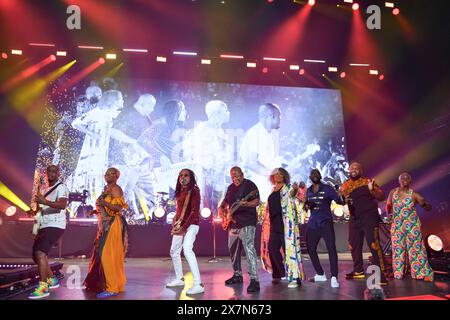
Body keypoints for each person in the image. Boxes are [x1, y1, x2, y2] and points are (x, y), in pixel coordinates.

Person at [70, 90, 124, 212]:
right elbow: (75, 123)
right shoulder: (96, 113)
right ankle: (79, 208)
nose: (123, 101)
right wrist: (91, 133)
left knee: (99, 178)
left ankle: (95, 208)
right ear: (112, 100)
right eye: (120, 98)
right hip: (91, 152)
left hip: (101, 153)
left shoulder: (110, 114)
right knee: (88, 178)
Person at [109, 93, 157, 220]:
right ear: (142, 103)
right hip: (124, 162)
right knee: (122, 192)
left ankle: (138, 220)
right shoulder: (128, 114)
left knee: (147, 194)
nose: (153, 109)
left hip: (139, 162)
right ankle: (116, 222)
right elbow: (113, 131)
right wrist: (133, 142)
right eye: (151, 105)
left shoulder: (146, 118)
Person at [84, 167, 129, 298]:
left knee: (107, 255)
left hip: (112, 224)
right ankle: (108, 284)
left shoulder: (116, 189)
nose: (107, 175)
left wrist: (105, 203)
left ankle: (113, 287)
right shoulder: (106, 189)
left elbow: (119, 208)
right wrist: (94, 211)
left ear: (117, 176)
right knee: (101, 255)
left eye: (111, 173)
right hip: (103, 225)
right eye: (106, 174)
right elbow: (103, 208)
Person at [340, 162, 388, 284]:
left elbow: (381, 197)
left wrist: (372, 190)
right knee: (353, 245)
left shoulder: (368, 181)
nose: (354, 169)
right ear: (349, 170)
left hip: (369, 217)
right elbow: (343, 201)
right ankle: (358, 271)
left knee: (373, 244)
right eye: (352, 168)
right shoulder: (345, 185)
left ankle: (381, 274)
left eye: (357, 168)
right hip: (354, 217)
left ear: (361, 171)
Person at [183, 100, 231, 216]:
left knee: (217, 207)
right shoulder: (202, 128)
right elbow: (192, 152)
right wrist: (208, 170)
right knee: (206, 207)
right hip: (207, 175)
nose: (228, 113)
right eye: (225, 111)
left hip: (219, 175)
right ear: (217, 113)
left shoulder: (221, 131)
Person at [28, 165, 68, 299]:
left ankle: (43, 287)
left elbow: (62, 205)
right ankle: (52, 279)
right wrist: (33, 212)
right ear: (46, 173)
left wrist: (44, 201)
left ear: (58, 174)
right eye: (49, 171)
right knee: (36, 256)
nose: (51, 173)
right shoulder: (44, 189)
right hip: (43, 224)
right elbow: (42, 208)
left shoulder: (61, 187)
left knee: (40, 252)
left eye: (54, 171)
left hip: (55, 224)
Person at [219, 167, 261, 293]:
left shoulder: (249, 185)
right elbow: (225, 203)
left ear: (242, 174)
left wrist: (246, 204)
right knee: (233, 250)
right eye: (233, 177)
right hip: (233, 223)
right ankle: (237, 275)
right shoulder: (231, 187)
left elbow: (256, 201)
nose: (235, 179)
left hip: (247, 221)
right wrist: (222, 209)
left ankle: (254, 280)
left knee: (249, 248)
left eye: (237, 176)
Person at [261, 168, 305, 288]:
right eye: (276, 174)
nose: (278, 176)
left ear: (284, 176)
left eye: (281, 174)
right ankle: (279, 273)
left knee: (289, 251)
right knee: (272, 248)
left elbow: (296, 198)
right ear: (273, 177)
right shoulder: (273, 189)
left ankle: (295, 278)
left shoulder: (289, 188)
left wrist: (296, 190)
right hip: (274, 224)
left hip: (286, 225)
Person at [386, 172, 434, 281]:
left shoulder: (415, 195)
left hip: (412, 226)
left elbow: (428, 207)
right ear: (399, 181)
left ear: (410, 181)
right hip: (397, 225)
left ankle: (421, 273)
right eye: (402, 178)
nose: (404, 179)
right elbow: (388, 205)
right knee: (398, 249)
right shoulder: (393, 192)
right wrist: (389, 216)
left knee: (416, 248)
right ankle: (398, 273)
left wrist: (425, 204)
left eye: (407, 178)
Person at [166, 169, 204, 295]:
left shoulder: (194, 191)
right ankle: (179, 279)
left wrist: (183, 227)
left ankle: (198, 284)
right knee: (174, 251)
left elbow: (194, 212)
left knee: (187, 249)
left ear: (191, 177)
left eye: (186, 175)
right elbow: (180, 210)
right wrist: (175, 220)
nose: (183, 177)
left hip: (192, 224)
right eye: (181, 175)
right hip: (181, 224)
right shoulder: (180, 192)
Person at [303, 169, 342, 288]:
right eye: (313, 174)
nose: (315, 175)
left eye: (317, 174)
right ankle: (320, 274)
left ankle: (334, 276)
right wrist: (307, 205)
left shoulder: (327, 188)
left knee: (331, 249)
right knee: (310, 249)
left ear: (320, 176)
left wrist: (340, 193)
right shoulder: (308, 190)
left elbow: (339, 201)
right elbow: (306, 205)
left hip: (325, 223)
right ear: (310, 177)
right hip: (312, 224)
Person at [239, 103, 282, 201]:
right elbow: (250, 163)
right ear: (271, 116)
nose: (281, 119)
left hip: (266, 186)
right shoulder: (255, 134)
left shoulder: (268, 134)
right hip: (258, 188)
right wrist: (273, 173)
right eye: (279, 116)